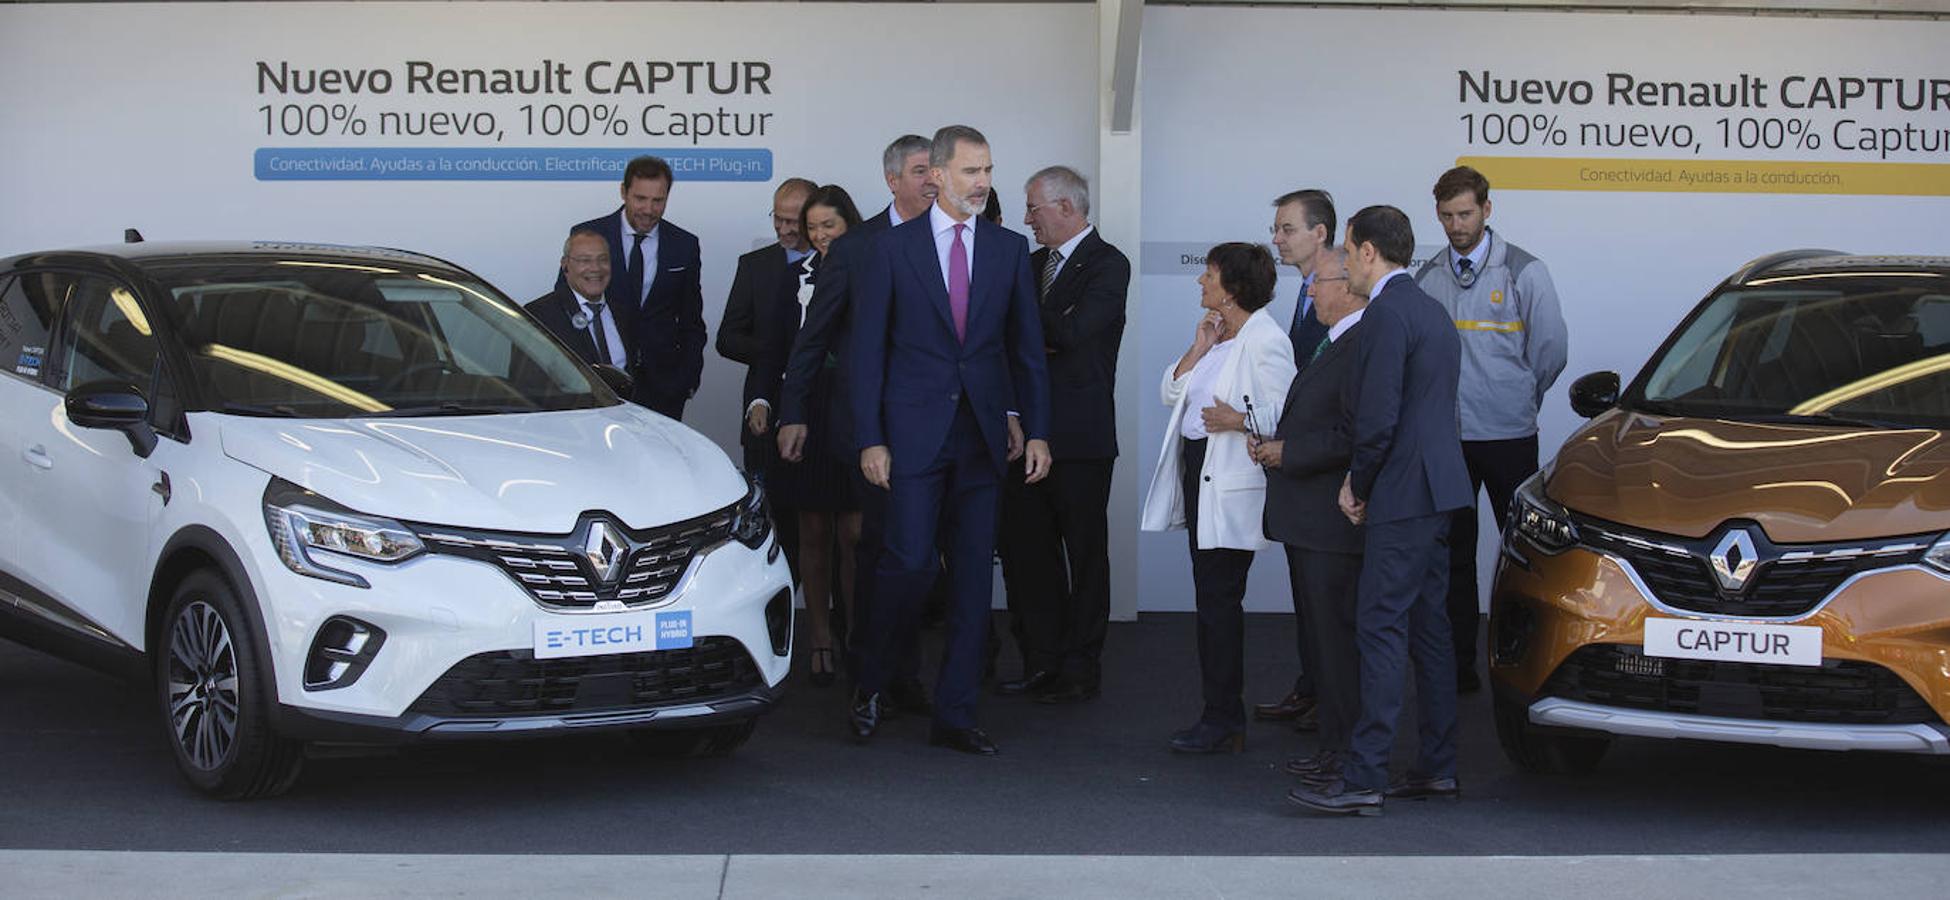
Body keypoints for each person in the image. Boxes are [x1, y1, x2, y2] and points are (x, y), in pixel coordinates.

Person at [847, 125, 1053, 756]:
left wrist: (1035, 427)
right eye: (971, 171)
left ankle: (956, 714)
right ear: (936, 175)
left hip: (983, 439)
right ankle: (872, 682)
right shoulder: (890, 248)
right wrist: (870, 438)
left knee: (971, 581)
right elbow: (866, 353)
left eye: (988, 170)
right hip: (910, 438)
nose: (983, 182)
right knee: (907, 564)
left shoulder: (1008, 249)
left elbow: (1025, 350)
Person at [1290, 206, 1471, 817]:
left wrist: (1358, 484)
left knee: (1381, 627)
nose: (1343, 265)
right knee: (1429, 630)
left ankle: (1364, 776)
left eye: (1347, 251)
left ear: (1368, 251)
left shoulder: (1387, 314)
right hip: (1438, 491)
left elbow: (1378, 418)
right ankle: (1437, 766)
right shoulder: (1430, 309)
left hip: (1402, 493)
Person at [776, 135, 936, 711]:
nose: (932, 180)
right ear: (892, 179)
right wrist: (793, 411)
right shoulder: (856, 247)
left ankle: (907, 674)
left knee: (921, 555)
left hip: (936, 427)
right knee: (874, 551)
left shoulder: (956, 240)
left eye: (936, 170)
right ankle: (871, 679)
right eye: (921, 170)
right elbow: (813, 336)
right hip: (869, 429)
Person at [1413, 165, 1568, 694]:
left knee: (1523, 555)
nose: (1456, 226)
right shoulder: (1430, 275)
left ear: (1487, 209)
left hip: (1507, 435)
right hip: (1448, 438)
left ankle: (1522, 662)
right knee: (1453, 554)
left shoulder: (1524, 271)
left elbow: (1550, 352)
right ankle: (1458, 665)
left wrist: (1518, 396)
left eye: (1465, 214)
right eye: (1446, 216)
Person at [1138, 242, 1296, 754]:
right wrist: (1199, 346)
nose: (1200, 282)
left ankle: (1223, 718)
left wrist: (1238, 420)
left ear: (1232, 287)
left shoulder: (1265, 339)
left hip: (1227, 484)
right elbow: (1170, 391)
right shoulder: (1219, 335)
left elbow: (1290, 412)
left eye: (1208, 275)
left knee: (1218, 602)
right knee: (1211, 600)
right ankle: (1220, 715)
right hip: (1200, 475)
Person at [996, 165, 1129, 704]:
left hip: (1080, 438)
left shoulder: (1108, 263)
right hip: (1023, 433)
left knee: (1085, 554)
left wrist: (1025, 323)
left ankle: (1081, 665)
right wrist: (1037, 332)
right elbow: (1008, 340)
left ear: (1066, 207)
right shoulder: (1027, 265)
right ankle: (1041, 660)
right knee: (1028, 554)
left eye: (1034, 208)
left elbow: (1074, 334)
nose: (1027, 219)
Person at [1250, 247, 1367, 790]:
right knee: (1323, 640)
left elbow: (1353, 433)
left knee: (1337, 641)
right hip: (1310, 519)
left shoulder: (1361, 343)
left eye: (1320, 282)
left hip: (1331, 523)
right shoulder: (1334, 340)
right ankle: (1333, 746)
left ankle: (1344, 752)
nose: (1311, 291)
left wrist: (1287, 451)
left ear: (1348, 285)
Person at [766, 184, 866, 687]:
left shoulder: (873, 270)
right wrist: (784, 411)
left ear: (850, 225)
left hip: (855, 409)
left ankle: (857, 637)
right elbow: (781, 350)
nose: (821, 235)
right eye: (813, 227)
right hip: (807, 409)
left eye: (830, 225)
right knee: (812, 531)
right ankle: (820, 637)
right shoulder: (795, 277)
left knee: (854, 533)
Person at [1255, 187, 1338, 729]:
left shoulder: (1343, 292)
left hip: (1325, 465)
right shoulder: (1305, 291)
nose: (1277, 239)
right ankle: (1313, 687)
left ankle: (1331, 699)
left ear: (1320, 233)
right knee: (1307, 591)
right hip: (1300, 464)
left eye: (1287, 229)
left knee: (1327, 596)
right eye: (1276, 229)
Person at [716, 177, 817, 593]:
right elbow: (727, 338)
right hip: (765, 414)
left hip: (823, 417)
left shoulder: (839, 263)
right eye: (778, 218)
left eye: (794, 221)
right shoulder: (755, 266)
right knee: (770, 525)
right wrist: (779, 351)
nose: (784, 229)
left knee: (822, 526)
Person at [560, 155, 706, 419]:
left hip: (664, 388)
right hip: (599, 386)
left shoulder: (684, 245)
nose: (648, 209)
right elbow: (564, 308)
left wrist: (687, 379)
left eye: (658, 200)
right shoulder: (589, 235)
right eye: (640, 198)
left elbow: (692, 321)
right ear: (623, 192)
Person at [526, 229, 631, 371]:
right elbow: (528, 377)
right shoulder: (539, 315)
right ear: (565, 265)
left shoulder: (624, 311)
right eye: (585, 260)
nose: (595, 268)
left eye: (603, 259)